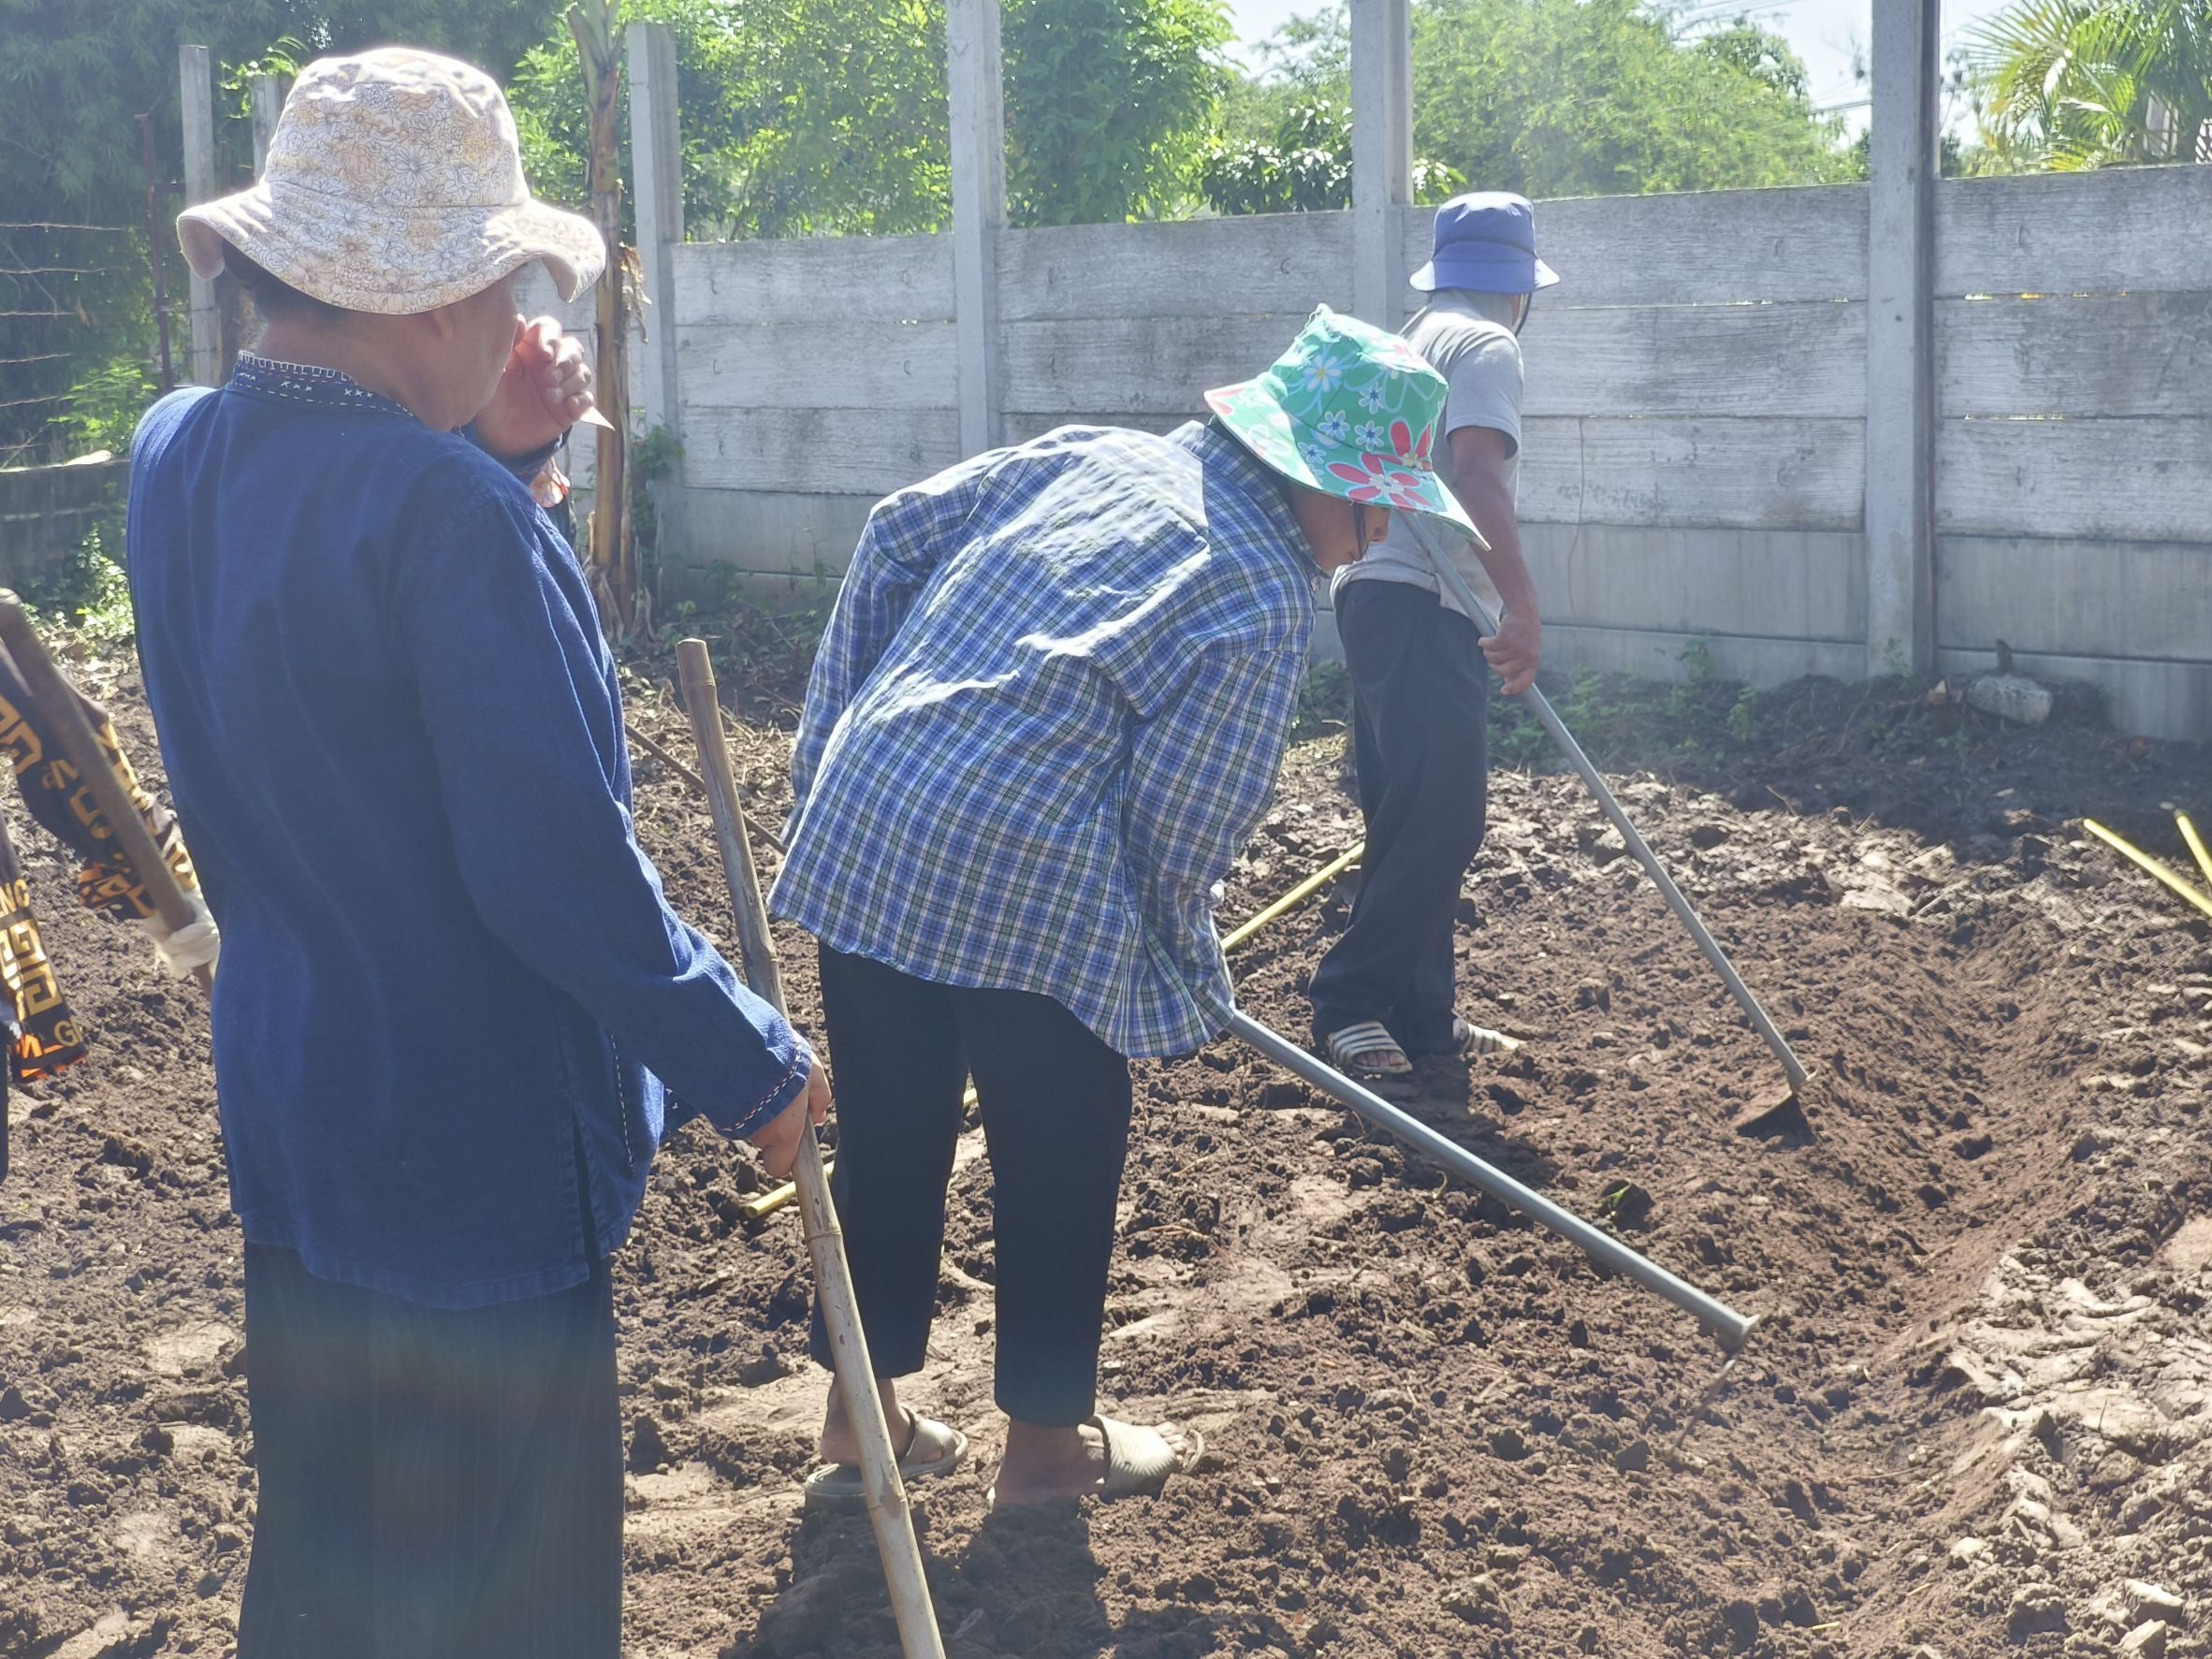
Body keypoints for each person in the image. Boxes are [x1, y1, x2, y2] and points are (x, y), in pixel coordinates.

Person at [126, 49, 827, 1659]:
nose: (525, 319)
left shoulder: (176, 450)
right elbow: (554, 872)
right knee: (507, 1595)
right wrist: (750, 1059)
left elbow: (346, 676)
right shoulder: (448, 517)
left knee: (328, 1558)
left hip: (304, 1110)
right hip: (474, 1150)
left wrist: (498, 458)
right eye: (504, 286)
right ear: (432, 302)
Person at [770, 306, 1478, 1509]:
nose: (1370, 543)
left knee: (891, 1129)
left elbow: (895, 534)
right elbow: (1179, 827)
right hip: (1028, 860)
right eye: (1377, 511)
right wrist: (1170, 973)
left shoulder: (1097, 452)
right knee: (1064, 1137)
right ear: (1324, 485)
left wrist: (830, 751)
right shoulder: (1261, 593)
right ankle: (1047, 1455)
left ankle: (860, 1422)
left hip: (873, 812)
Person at [1305, 192, 1557, 1082]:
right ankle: (1347, 1000)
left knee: (1405, 807)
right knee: (1446, 814)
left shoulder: (1414, 334)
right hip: (1420, 596)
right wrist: (1521, 604)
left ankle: (1422, 1013)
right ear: (1519, 287)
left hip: (1370, 587)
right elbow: (1478, 472)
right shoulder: (1489, 344)